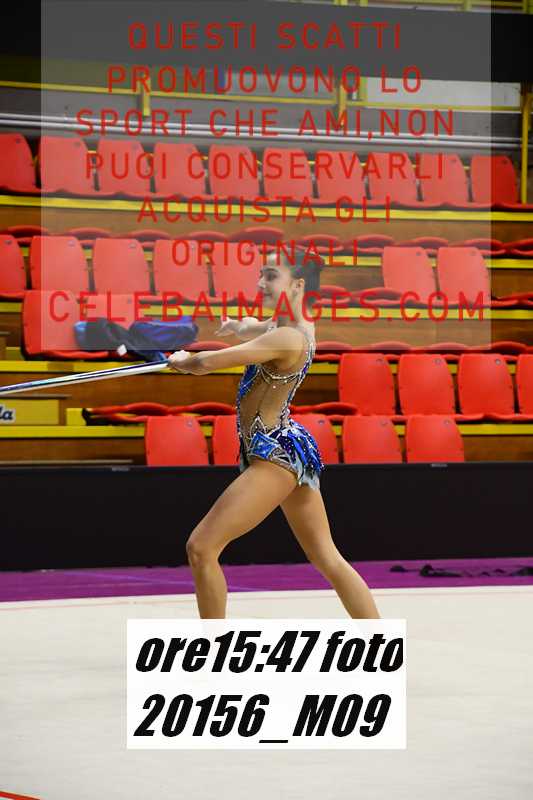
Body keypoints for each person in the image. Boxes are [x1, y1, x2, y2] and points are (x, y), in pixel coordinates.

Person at [168, 250, 381, 620]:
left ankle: (212, 648)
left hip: (274, 456)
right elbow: (256, 327)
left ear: (297, 285)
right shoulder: (292, 326)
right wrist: (237, 325)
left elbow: (207, 363)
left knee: (201, 548)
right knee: (327, 556)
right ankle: (378, 639)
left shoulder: (285, 337)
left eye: (270, 276)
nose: (260, 283)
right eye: (260, 275)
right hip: (288, 445)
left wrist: (184, 362)